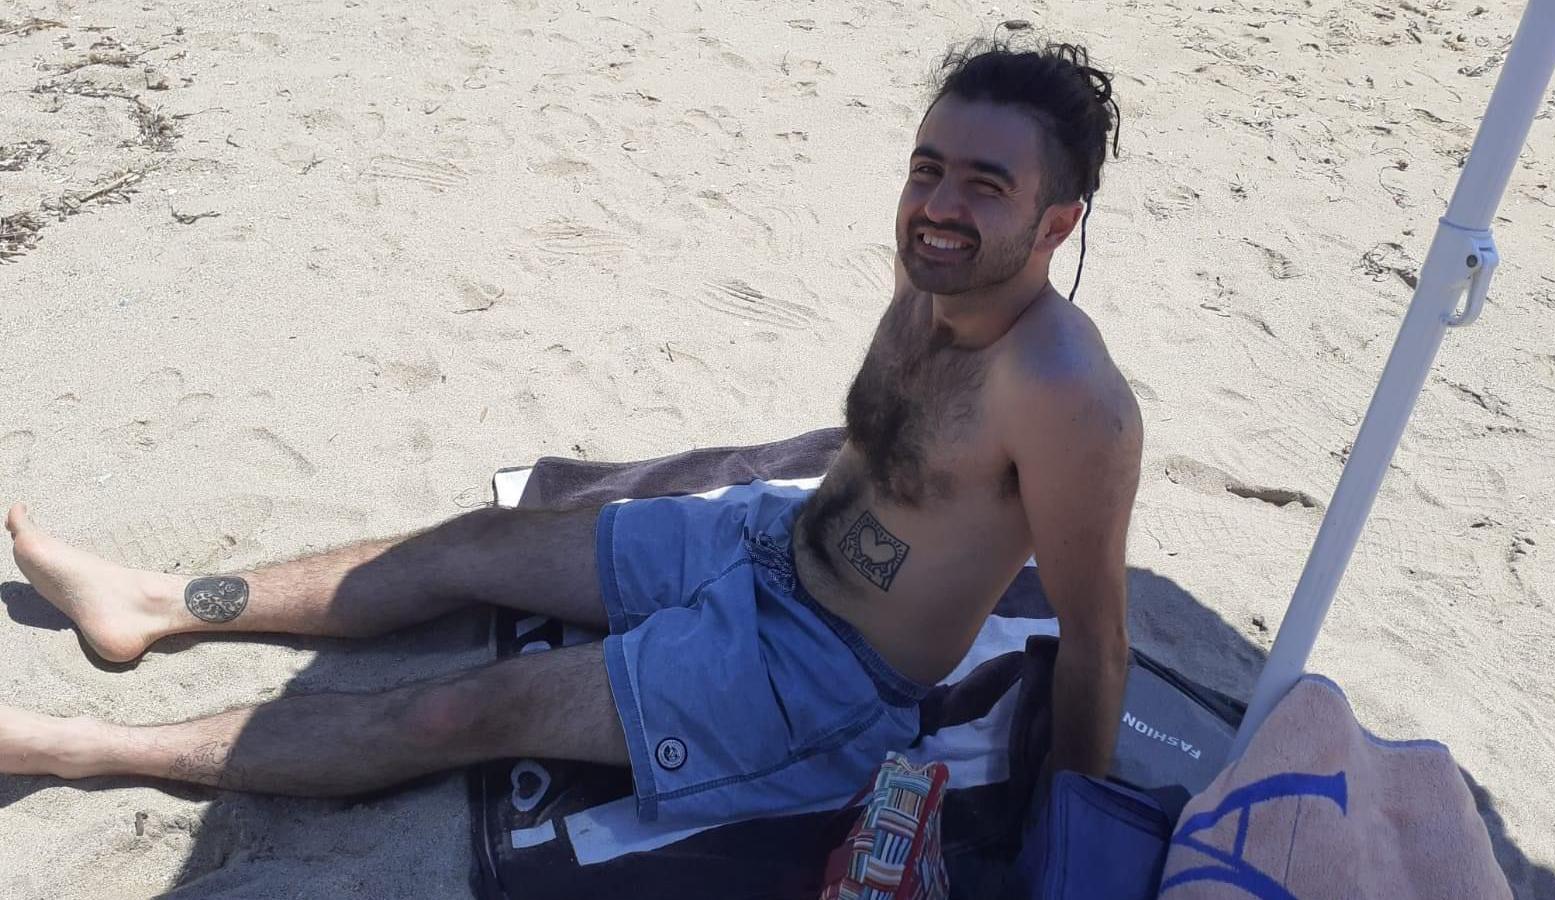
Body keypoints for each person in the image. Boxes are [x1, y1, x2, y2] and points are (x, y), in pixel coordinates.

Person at [0, 38, 1140, 826]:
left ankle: (80, 746)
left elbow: (1094, 644)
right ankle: (158, 603)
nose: (938, 206)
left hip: (819, 673)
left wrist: (1065, 837)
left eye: (983, 185)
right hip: (768, 541)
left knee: (468, 709)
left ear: (1057, 220)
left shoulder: (1069, 399)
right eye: (926, 169)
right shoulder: (931, 276)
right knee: (472, 547)